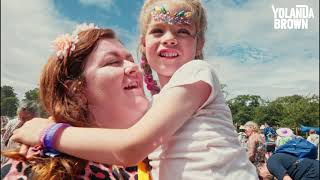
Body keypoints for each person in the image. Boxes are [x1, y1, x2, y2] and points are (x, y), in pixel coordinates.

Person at [12, 0, 258, 179]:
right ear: (145, 43)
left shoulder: (196, 71)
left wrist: (49, 133)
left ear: (199, 43)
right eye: (158, 31)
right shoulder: (160, 103)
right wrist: (58, 118)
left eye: (183, 31)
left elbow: (130, 146)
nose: (170, 38)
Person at [1, 25, 146, 179]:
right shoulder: (39, 167)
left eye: (131, 60)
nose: (134, 67)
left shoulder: (156, 151)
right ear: (76, 90)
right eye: (113, 62)